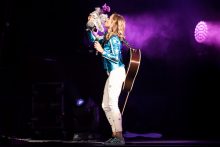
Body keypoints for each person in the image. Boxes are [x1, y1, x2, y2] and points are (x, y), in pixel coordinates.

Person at [87, 13, 126, 145]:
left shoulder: (114, 38)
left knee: (112, 104)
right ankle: (115, 135)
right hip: (112, 74)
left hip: (117, 72)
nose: (106, 20)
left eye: (109, 19)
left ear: (114, 23)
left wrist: (102, 51)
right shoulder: (108, 37)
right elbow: (94, 41)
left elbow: (115, 58)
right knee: (105, 105)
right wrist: (89, 27)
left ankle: (119, 137)